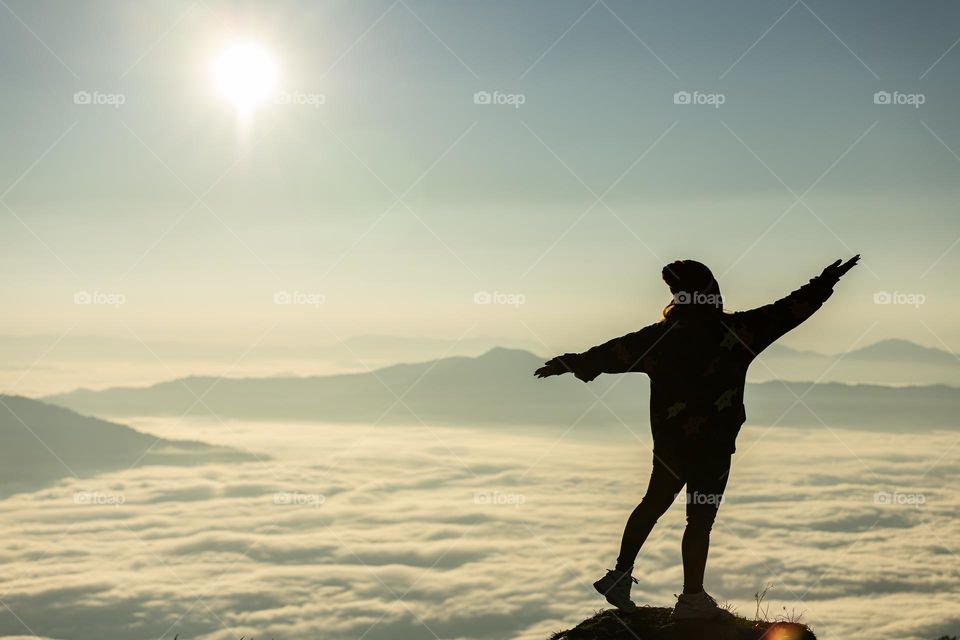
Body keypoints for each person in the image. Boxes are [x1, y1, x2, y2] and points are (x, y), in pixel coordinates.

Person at [534, 256, 860, 620]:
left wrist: (569, 362)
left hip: (671, 446)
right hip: (714, 447)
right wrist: (824, 283)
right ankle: (691, 598)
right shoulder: (739, 332)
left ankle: (620, 575)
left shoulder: (658, 340)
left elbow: (610, 353)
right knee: (699, 520)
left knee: (653, 502)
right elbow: (787, 311)